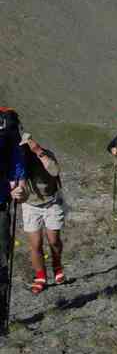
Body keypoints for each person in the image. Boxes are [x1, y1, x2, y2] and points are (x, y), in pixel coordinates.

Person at [20, 132, 66, 295]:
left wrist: (39, 151)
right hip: (31, 206)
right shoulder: (19, 161)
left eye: (27, 146)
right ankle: (40, 277)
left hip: (52, 202)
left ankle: (57, 265)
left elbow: (54, 171)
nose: (26, 150)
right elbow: (20, 190)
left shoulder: (45, 154)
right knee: (36, 244)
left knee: (53, 240)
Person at [0, 108, 28, 333]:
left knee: (1, 259)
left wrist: (19, 183)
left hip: (1, 201)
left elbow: (16, 160)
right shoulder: (7, 126)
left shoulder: (6, 126)